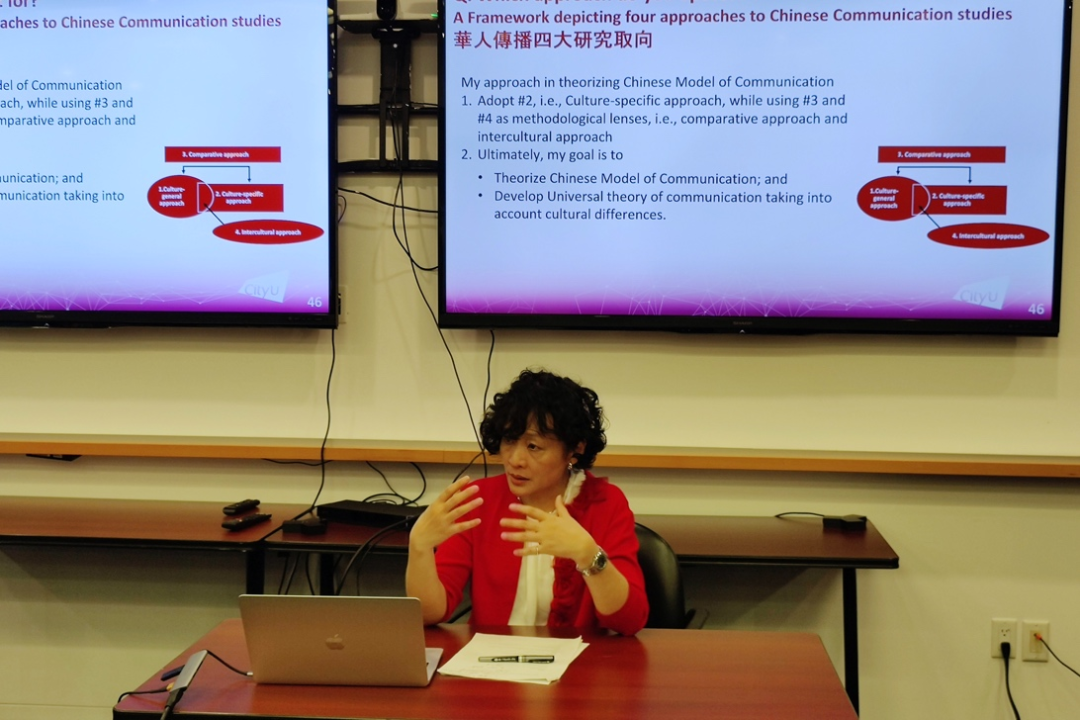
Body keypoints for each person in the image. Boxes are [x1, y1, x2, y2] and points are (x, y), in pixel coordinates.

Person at [405, 369, 649, 636]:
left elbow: (630, 621)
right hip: (491, 657)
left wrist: (588, 555)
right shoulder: (477, 501)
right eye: (509, 441)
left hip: (579, 658)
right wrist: (419, 547)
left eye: (534, 447)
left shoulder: (605, 503)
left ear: (575, 449)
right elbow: (430, 613)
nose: (515, 460)